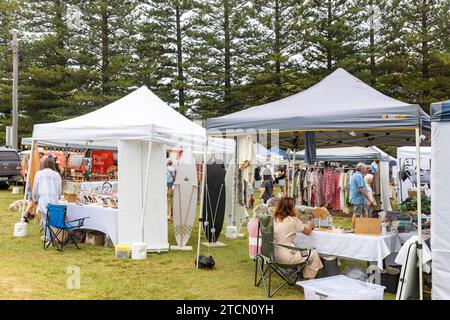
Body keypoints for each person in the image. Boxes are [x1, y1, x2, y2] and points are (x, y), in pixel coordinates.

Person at [273, 197, 323, 280]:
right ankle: (308, 279)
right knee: (313, 253)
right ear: (289, 208)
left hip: (274, 255)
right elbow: (307, 232)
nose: (294, 208)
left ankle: (303, 274)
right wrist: (311, 221)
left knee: (302, 250)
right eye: (293, 207)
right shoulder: (293, 220)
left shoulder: (275, 219)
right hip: (288, 256)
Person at [32, 158, 62, 243]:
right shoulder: (56, 174)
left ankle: (49, 238)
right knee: (52, 220)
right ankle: (49, 237)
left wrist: (35, 198)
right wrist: (58, 196)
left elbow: (35, 187)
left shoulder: (39, 174)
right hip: (54, 199)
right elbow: (59, 189)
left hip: (43, 199)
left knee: (45, 220)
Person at [349, 162, 374, 229]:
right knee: (357, 214)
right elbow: (361, 189)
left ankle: (364, 228)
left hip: (360, 198)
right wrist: (369, 199)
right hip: (358, 199)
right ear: (361, 168)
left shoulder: (356, 175)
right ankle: (353, 229)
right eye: (365, 168)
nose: (366, 170)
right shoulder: (358, 176)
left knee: (365, 213)